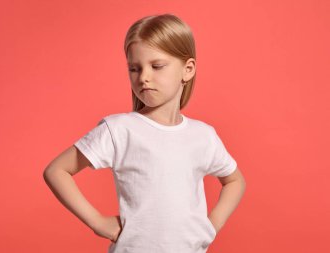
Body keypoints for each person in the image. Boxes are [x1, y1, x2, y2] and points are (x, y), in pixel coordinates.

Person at [43, 13, 246, 253]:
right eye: (134, 69)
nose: (144, 77)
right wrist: (97, 222)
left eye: (156, 66)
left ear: (188, 70)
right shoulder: (119, 129)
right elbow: (56, 171)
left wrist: (211, 226)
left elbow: (235, 181)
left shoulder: (203, 136)